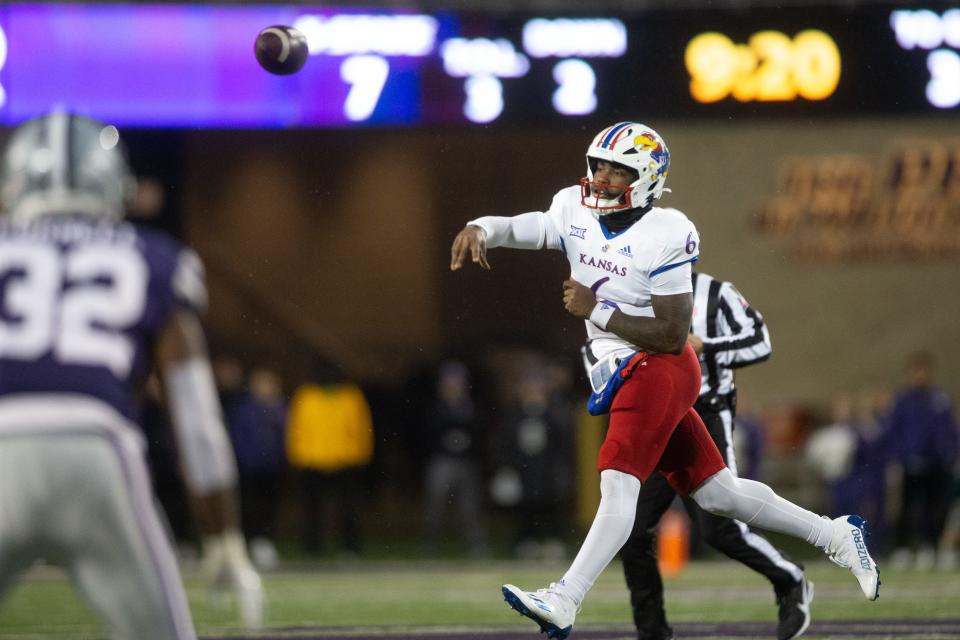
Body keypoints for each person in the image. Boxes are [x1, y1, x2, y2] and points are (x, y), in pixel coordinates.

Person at [450, 121, 880, 640]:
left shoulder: (668, 231)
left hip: (659, 367)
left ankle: (565, 598)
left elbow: (674, 335)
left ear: (648, 177)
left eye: (618, 169)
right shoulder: (573, 207)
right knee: (721, 496)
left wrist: (598, 311)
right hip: (630, 368)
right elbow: (531, 227)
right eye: (599, 165)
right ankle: (835, 535)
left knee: (616, 480)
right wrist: (482, 227)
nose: (603, 177)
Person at [0, 113, 262, 639]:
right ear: (112, 182)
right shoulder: (152, 257)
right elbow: (197, 423)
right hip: (97, 454)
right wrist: (224, 538)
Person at [620, 270, 810, 640]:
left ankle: (790, 579)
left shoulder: (716, 293)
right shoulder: (635, 295)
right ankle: (652, 631)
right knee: (631, 529)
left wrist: (707, 346)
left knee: (718, 528)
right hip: (659, 417)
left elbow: (760, 343)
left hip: (706, 414)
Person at [286, 355, 374, 556]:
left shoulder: (350, 396)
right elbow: (296, 428)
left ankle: (349, 547)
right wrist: (297, 455)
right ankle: (312, 548)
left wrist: (361, 454)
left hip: (345, 461)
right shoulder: (306, 396)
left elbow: (361, 427)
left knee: (348, 509)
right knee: (311, 510)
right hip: (312, 461)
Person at [885, 351, 958, 569]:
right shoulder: (903, 401)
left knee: (935, 508)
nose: (920, 376)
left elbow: (948, 431)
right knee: (907, 508)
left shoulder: (939, 400)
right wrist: (899, 456)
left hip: (935, 464)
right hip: (910, 464)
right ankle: (903, 549)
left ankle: (930, 547)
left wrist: (949, 454)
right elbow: (894, 431)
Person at [419, 359, 489, 558]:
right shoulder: (435, 408)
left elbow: (480, 433)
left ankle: (476, 547)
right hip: (441, 461)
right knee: (435, 506)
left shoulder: (471, 408)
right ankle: (430, 546)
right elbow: (426, 435)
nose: (453, 388)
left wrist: (467, 444)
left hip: (466, 462)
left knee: (470, 508)